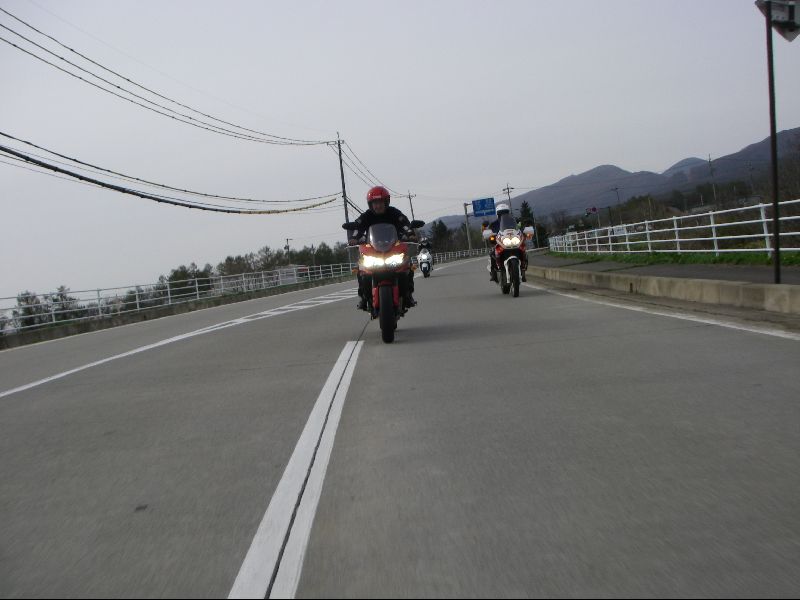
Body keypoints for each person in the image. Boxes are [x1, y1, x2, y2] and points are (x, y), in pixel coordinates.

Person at [349, 186, 417, 311]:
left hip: (393, 247)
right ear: (370, 204)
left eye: (380, 202)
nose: (377, 206)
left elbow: (404, 224)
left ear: (386, 202)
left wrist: (410, 234)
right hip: (373, 249)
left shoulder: (394, 213)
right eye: (374, 203)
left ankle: (408, 295)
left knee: (407, 265)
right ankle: (364, 297)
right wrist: (354, 238)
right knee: (361, 269)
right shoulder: (367, 216)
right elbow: (358, 227)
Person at [485, 203, 528, 282]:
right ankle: (494, 274)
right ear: (497, 214)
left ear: (508, 213)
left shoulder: (514, 221)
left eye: (505, 212)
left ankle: (523, 269)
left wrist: (524, 230)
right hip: (500, 242)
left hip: (513, 240)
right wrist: (490, 235)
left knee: (524, 250)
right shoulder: (493, 224)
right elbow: (490, 233)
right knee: (492, 254)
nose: (503, 215)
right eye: (501, 213)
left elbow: (520, 228)